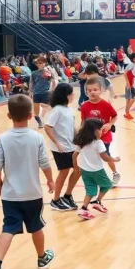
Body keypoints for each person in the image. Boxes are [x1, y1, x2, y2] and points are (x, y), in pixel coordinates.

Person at [0, 95, 56, 269]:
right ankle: (42, 258)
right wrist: (50, 180)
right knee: (36, 227)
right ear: (30, 114)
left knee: (8, 227)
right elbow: (44, 163)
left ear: (9, 116)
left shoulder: (2, 138)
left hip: (10, 195)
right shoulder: (36, 137)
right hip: (32, 193)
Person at [73, 118, 120, 221]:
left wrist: (76, 167)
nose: (102, 131)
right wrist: (115, 159)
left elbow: (74, 155)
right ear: (93, 131)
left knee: (90, 190)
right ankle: (97, 201)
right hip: (97, 171)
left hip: (84, 171)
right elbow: (105, 157)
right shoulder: (98, 143)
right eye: (100, 129)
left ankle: (84, 208)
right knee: (107, 185)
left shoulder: (82, 141)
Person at [45, 83, 81, 212]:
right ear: (66, 96)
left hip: (71, 145)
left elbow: (71, 127)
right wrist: (57, 143)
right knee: (64, 171)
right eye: (71, 93)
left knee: (78, 170)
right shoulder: (57, 110)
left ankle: (67, 195)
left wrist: (79, 138)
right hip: (61, 148)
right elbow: (47, 127)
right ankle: (55, 200)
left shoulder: (69, 110)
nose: (73, 95)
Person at [80, 75, 120, 186]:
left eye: (95, 90)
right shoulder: (84, 106)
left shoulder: (106, 105)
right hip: (90, 137)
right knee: (93, 157)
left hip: (105, 137)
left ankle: (115, 173)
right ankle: (95, 177)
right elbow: (83, 122)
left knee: (105, 155)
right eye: (89, 90)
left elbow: (115, 116)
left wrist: (109, 124)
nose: (92, 92)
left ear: (101, 90)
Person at [30, 57, 52, 128]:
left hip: (45, 92)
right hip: (36, 92)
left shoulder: (48, 71)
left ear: (44, 63)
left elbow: (52, 80)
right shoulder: (34, 73)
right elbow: (31, 83)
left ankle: (45, 120)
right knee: (36, 110)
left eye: (41, 63)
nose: (39, 64)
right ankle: (40, 122)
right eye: (38, 63)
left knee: (44, 106)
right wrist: (30, 92)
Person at [123, 52, 135, 120]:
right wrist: (128, 83)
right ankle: (127, 112)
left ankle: (127, 113)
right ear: (134, 59)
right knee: (133, 99)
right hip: (131, 85)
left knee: (128, 99)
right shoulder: (131, 65)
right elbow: (125, 74)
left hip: (133, 84)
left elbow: (133, 74)